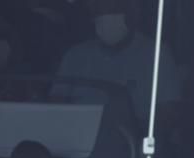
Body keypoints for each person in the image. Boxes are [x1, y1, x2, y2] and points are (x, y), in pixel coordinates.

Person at [55, 0, 183, 125]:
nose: (107, 15)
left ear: (132, 13)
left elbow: (168, 111)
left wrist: (136, 130)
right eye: (100, 10)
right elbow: (55, 106)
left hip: (133, 140)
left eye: (115, 9)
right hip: (78, 139)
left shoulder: (157, 54)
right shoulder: (75, 56)